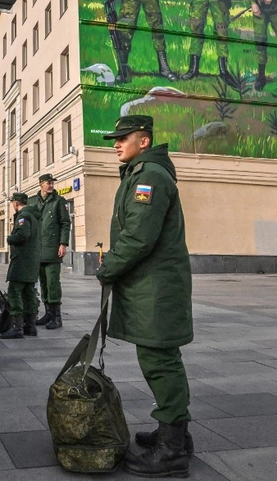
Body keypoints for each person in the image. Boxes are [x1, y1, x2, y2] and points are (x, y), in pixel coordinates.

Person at [97, 115, 194, 478]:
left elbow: (139, 236)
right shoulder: (140, 173)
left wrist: (109, 269)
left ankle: (171, 450)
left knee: (160, 360)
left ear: (145, 141)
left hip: (156, 287)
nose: (116, 144)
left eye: (124, 138)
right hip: (151, 285)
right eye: (115, 138)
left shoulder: (150, 176)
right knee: (161, 357)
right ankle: (177, 435)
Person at [30, 174, 71, 330]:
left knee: (53, 282)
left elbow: (65, 223)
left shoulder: (59, 202)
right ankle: (47, 313)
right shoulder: (32, 201)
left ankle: (57, 316)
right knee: (44, 283)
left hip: (53, 249)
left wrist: (63, 243)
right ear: (41, 184)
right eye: (48, 183)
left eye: (52, 183)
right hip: (38, 250)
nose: (51, 185)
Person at [0, 192, 42, 340]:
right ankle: (30, 325)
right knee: (29, 292)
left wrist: (10, 239)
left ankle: (17, 326)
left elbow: (23, 235)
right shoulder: (35, 216)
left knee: (14, 291)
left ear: (16, 203)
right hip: (32, 260)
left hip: (22, 260)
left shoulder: (24, 216)